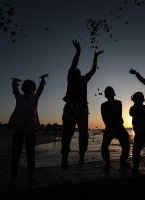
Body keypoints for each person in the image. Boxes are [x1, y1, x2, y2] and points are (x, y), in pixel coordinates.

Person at [61, 40, 103, 169]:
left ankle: (81, 157)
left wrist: (95, 57)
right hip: (71, 106)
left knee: (83, 133)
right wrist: (78, 51)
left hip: (83, 107)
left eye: (78, 70)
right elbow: (74, 64)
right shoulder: (70, 77)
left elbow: (93, 70)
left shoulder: (84, 79)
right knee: (67, 132)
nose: (77, 70)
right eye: (76, 70)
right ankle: (64, 158)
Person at [8, 76, 46, 187]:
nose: (29, 88)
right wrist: (14, 83)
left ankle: (31, 177)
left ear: (33, 89)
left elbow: (41, 89)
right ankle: (13, 179)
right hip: (17, 130)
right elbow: (15, 90)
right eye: (26, 86)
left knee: (31, 154)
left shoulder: (35, 97)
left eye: (31, 87)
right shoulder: (19, 97)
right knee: (15, 155)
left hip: (30, 130)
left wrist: (42, 81)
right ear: (23, 88)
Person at [101, 86, 130, 170]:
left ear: (113, 93)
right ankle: (107, 163)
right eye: (107, 92)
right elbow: (104, 118)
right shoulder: (103, 105)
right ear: (105, 95)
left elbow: (118, 115)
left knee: (126, 144)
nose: (109, 93)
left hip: (119, 127)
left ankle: (123, 161)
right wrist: (111, 128)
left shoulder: (118, 103)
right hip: (109, 127)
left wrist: (116, 128)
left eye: (110, 91)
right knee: (104, 146)